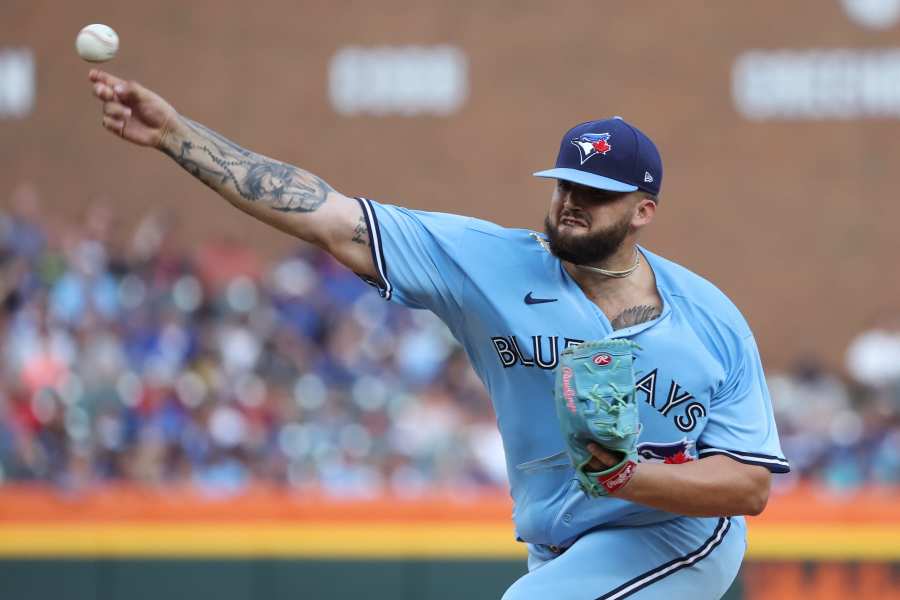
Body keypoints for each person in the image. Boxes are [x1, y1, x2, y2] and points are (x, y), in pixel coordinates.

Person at [88, 69, 789, 600]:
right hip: (559, 543)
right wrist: (177, 136)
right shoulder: (492, 265)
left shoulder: (710, 320)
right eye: (565, 183)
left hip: (676, 537)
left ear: (643, 211)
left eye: (596, 193)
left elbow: (749, 487)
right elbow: (330, 217)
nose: (572, 202)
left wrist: (631, 478)